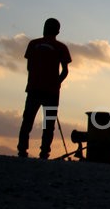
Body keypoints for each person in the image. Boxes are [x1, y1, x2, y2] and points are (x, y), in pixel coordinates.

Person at [17, 18, 71, 159]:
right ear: (58, 31)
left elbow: (29, 67)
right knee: (48, 123)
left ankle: (22, 150)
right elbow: (65, 71)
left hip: (34, 89)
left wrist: (36, 78)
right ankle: (44, 152)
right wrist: (56, 82)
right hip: (51, 92)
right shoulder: (61, 47)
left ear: (44, 28)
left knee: (27, 120)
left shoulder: (33, 44)